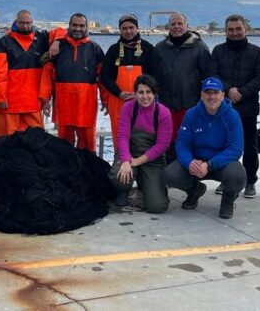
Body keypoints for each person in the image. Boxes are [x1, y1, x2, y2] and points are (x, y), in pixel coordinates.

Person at [164, 77, 247, 219]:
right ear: (202, 95)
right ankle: (194, 190)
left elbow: (235, 149)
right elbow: (182, 144)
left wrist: (209, 164)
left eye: (215, 92)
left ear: (222, 95)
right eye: (207, 93)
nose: (212, 96)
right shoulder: (191, 114)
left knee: (238, 175)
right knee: (169, 175)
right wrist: (189, 162)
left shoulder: (232, 116)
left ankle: (227, 201)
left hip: (220, 164)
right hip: (196, 163)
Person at [208, 14, 260, 198]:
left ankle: (250, 181)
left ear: (245, 29)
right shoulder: (218, 50)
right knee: (224, 144)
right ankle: (226, 179)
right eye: (230, 30)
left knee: (250, 145)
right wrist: (229, 90)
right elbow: (213, 74)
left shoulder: (256, 51)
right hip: (223, 106)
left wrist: (241, 92)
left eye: (238, 29)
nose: (234, 33)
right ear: (226, 31)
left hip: (248, 106)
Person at [39, 13, 105, 152]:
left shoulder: (95, 49)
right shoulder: (57, 48)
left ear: (86, 27)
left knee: (87, 145)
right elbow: (48, 75)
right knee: (64, 147)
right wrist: (45, 100)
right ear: (69, 26)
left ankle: (88, 172)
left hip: (86, 105)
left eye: (81, 26)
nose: (78, 28)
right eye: (74, 25)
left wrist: (105, 100)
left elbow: (102, 79)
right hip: (64, 106)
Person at [110, 74, 172, 213]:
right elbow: (123, 136)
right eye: (141, 92)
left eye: (148, 92)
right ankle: (123, 192)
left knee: (157, 206)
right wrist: (126, 160)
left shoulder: (163, 113)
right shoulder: (128, 108)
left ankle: (146, 188)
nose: (145, 96)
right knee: (117, 176)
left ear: (155, 93)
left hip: (152, 160)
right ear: (135, 94)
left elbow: (162, 145)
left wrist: (137, 161)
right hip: (130, 153)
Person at [154, 12, 211, 160]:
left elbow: (208, 75)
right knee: (168, 141)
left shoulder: (200, 47)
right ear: (169, 27)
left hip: (191, 104)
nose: (177, 27)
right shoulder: (160, 48)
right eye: (173, 24)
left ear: (187, 26)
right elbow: (153, 77)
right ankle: (170, 175)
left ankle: (192, 179)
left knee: (190, 140)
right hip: (166, 104)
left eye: (180, 24)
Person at [100, 14, 161, 151]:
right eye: (124, 28)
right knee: (119, 135)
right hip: (118, 100)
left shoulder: (148, 48)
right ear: (120, 30)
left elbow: (156, 76)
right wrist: (119, 93)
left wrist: (141, 94)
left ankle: (143, 163)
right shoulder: (113, 50)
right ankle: (120, 162)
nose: (128, 31)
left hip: (144, 101)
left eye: (131, 27)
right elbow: (105, 76)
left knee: (144, 136)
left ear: (137, 28)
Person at [0, 10, 50, 136]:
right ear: (16, 22)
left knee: (36, 142)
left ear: (32, 23)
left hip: (33, 103)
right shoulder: (4, 42)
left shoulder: (40, 39)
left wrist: (56, 42)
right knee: (7, 143)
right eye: (22, 23)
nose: (25, 26)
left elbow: (61, 32)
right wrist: (0, 97)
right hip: (9, 104)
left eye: (28, 23)